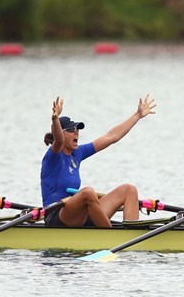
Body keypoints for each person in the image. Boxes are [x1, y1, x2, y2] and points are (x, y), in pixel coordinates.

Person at [41, 95, 156, 227]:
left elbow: (111, 137)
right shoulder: (53, 156)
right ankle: (110, 236)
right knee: (87, 192)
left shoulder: (77, 153)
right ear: (60, 133)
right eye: (71, 130)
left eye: (77, 129)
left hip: (78, 214)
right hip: (56, 215)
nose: (76, 132)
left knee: (129, 190)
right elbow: (59, 141)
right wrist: (55, 119)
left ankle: (131, 233)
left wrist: (137, 115)